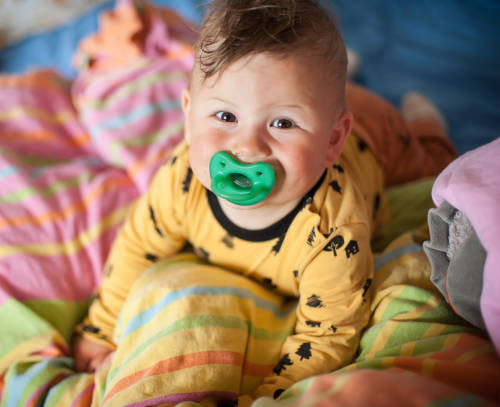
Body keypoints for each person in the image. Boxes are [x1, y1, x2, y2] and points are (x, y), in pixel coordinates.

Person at [72, 0, 456, 402]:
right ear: (188, 118)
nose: (247, 146)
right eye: (225, 117)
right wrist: (101, 330)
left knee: (430, 164)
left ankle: (425, 124)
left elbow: (327, 335)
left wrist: (274, 394)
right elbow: (138, 247)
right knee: (307, 87)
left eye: (282, 123)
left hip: (376, 136)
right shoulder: (180, 181)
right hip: (322, 105)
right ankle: (327, 88)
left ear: (331, 141)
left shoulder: (332, 233)